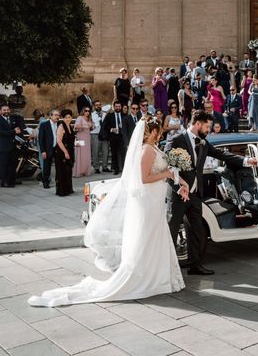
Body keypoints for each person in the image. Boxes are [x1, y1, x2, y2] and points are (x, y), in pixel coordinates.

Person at [29, 117, 188, 307]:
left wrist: (175, 175)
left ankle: (158, 276)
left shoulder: (153, 148)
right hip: (148, 201)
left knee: (155, 237)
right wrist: (168, 174)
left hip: (154, 201)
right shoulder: (146, 150)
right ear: (152, 131)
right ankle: (147, 277)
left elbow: (161, 169)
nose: (160, 134)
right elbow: (144, 178)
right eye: (158, 131)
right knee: (148, 237)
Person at [168, 110, 256, 275]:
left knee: (197, 231)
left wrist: (245, 160)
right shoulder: (176, 140)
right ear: (198, 124)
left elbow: (221, 154)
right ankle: (168, 269)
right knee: (172, 231)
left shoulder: (202, 142)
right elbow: (168, 168)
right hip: (178, 195)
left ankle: (195, 266)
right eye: (207, 126)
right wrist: (179, 187)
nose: (209, 130)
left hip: (194, 195)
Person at [0, 104, 21, 188]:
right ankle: (4, 182)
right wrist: (14, 131)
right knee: (3, 165)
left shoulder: (12, 119)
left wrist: (18, 130)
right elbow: (1, 132)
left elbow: (16, 128)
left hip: (13, 145)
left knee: (12, 163)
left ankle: (11, 180)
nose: (6, 111)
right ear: (1, 111)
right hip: (3, 146)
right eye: (4, 110)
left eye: (7, 110)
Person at [101, 101, 126, 175]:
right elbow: (105, 126)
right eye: (116, 106)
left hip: (122, 137)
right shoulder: (109, 116)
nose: (118, 108)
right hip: (113, 137)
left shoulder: (124, 115)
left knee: (123, 153)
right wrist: (111, 129)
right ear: (114, 107)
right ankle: (116, 169)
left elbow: (127, 126)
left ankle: (124, 169)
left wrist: (123, 126)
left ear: (120, 107)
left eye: (119, 106)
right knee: (114, 154)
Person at [54, 109, 75, 196]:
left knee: (68, 171)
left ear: (71, 117)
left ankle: (68, 189)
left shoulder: (70, 126)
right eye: (66, 117)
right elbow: (59, 141)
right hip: (62, 152)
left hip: (69, 150)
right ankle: (62, 191)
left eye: (69, 117)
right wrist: (65, 152)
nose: (67, 119)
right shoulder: (61, 126)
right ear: (63, 118)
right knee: (62, 171)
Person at [38, 109, 60, 189]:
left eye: (58, 115)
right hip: (48, 149)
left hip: (57, 148)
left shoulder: (60, 124)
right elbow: (41, 139)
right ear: (51, 116)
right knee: (47, 166)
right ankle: (45, 182)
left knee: (59, 166)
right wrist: (43, 151)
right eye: (55, 115)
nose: (57, 117)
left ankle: (58, 181)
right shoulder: (44, 125)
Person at [90, 101, 110, 174]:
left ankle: (105, 167)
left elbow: (110, 106)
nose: (98, 106)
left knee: (105, 151)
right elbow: (95, 123)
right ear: (94, 106)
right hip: (95, 134)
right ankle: (96, 167)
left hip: (104, 134)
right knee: (96, 151)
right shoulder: (91, 114)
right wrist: (100, 117)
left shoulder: (105, 113)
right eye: (96, 105)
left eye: (99, 105)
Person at [73, 107, 94, 177]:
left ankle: (85, 171)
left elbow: (91, 128)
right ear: (83, 111)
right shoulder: (80, 117)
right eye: (86, 110)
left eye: (89, 111)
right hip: (80, 137)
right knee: (79, 153)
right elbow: (76, 127)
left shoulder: (90, 119)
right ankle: (78, 171)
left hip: (87, 137)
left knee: (86, 154)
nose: (87, 112)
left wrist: (92, 126)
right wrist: (85, 127)